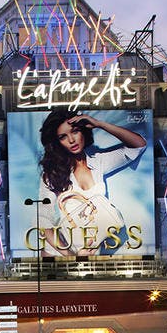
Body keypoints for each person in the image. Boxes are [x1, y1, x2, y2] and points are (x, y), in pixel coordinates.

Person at [36, 109, 146, 255]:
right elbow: (43, 220)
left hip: (92, 250)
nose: (71, 140)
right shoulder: (52, 174)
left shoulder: (98, 161)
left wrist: (99, 124)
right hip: (59, 254)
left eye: (75, 131)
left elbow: (139, 145)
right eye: (63, 137)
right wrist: (72, 257)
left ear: (83, 131)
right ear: (57, 142)